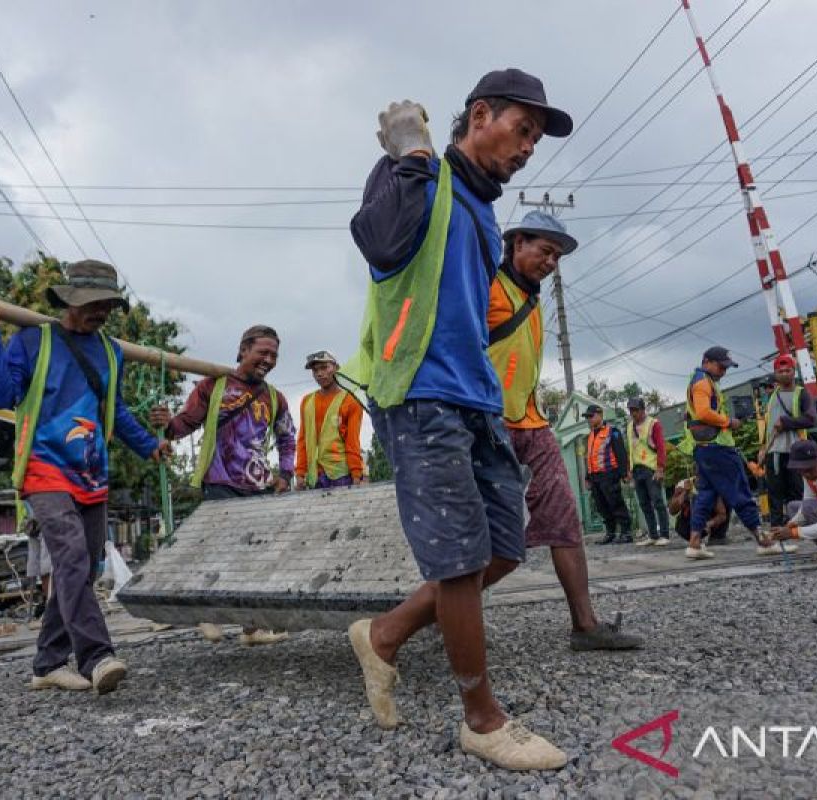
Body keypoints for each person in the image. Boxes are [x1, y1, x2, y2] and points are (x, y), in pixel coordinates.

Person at [346, 69, 573, 770]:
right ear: (481, 115)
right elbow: (381, 243)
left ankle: (383, 635)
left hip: (476, 399)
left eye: (536, 137)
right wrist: (410, 156)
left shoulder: (480, 211)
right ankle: (483, 718)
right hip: (417, 390)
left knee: (506, 545)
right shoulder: (414, 173)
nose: (530, 147)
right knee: (460, 558)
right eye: (523, 130)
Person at [0, 260, 171, 695]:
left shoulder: (110, 351)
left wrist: (148, 445)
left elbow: (113, 410)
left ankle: (47, 663)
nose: (100, 311)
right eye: (93, 303)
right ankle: (97, 656)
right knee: (72, 558)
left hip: (91, 471)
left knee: (85, 565)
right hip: (44, 467)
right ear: (70, 301)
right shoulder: (32, 341)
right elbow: (0, 395)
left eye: (106, 304)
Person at [487, 210, 643, 651]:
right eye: (545, 251)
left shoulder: (532, 302)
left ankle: (585, 624)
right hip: (488, 423)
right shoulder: (487, 287)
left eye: (557, 255)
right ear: (518, 244)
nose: (552, 262)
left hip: (532, 425)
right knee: (495, 538)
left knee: (564, 517)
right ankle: (442, 607)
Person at [150, 324, 295, 647]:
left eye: (274, 355)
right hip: (219, 480)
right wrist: (166, 426)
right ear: (243, 350)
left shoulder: (275, 398)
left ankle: (252, 628)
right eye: (262, 352)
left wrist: (285, 475)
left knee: (255, 557)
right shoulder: (213, 386)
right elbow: (185, 423)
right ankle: (208, 612)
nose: (268, 360)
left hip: (258, 486)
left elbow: (287, 437)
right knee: (218, 551)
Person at [684, 346, 787, 559]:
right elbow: (703, 412)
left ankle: (694, 544)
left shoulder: (698, 379)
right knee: (740, 490)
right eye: (721, 366)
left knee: (706, 494)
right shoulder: (703, 382)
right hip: (718, 446)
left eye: (726, 367)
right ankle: (763, 541)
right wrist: (728, 421)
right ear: (707, 361)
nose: (724, 371)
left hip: (703, 448)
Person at [757, 354, 817, 527]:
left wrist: (786, 422)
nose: (784, 374)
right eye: (780, 371)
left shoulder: (802, 394)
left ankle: (800, 527)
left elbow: (811, 419)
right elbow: (769, 425)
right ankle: (776, 529)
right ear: (775, 373)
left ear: (794, 372)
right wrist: (763, 449)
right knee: (774, 493)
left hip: (795, 452)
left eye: (787, 370)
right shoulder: (773, 395)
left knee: (796, 492)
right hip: (774, 452)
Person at [294, 350, 365, 490]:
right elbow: (303, 439)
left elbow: (353, 441)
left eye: (324, 367)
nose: (320, 374)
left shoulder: (350, 401)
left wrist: (356, 474)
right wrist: (300, 472)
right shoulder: (307, 402)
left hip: (341, 475)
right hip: (314, 476)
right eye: (315, 370)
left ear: (336, 368)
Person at [583, 404, 634, 544]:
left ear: (600, 415)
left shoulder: (613, 432)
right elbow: (589, 457)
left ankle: (626, 532)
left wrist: (624, 473)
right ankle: (610, 532)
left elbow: (621, 453)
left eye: (591, 416)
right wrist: (587, 477)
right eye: (588, 417)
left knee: (616, 503)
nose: (589, 419)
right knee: (601, 506)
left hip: (609, 474)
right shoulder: (591, 435)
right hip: (595, 477)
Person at [626, 397, 670, 546]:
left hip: (651, 468)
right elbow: (631, 449)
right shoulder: (629, 426)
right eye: (631, 411)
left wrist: (660, 468)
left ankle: (664, 534)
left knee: (658, 501)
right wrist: (629, 469)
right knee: (644, 504)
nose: (633, 413)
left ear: (643, 410)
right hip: (637, 470)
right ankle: (653, 535)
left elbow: (661, 447)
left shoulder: (653, 424)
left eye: (636, 410)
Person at [669, 474, 730, 544]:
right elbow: (672, 511)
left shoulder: (712, 486)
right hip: (685, 526)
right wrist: (684, 493)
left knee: (726, 497)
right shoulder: (683, 485)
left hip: (705, 524)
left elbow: (722, 515)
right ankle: (694, 537)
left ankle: (717, 536)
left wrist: (709, 524)